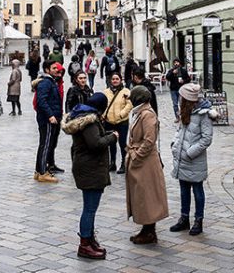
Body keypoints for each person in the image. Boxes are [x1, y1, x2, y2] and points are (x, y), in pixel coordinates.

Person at [62, 92, 118, 260]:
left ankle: (90, 240)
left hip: (87, 166)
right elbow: (96, 144)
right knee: (90, 208)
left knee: (90, 207)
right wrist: (112, 137)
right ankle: (85, 244)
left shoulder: (83, 116)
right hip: (90, 168)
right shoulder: (89, 121)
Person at [125, 86, 168, 244]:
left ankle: (149, 231)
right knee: (142, 196)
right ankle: (146, 228)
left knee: (148, 196)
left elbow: (149, 140)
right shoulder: (139, 112)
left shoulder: (147, 115)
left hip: (146, 163)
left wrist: (137, 156)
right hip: (140, 162)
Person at [170, 84, 214, 236]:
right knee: (183, 190)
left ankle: (198, 220)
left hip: (194, 159)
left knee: (197, 190)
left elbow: (207, 139)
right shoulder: (185, 111)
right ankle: (184, 219)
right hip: (182, 158)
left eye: (182, 96)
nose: (179, 98)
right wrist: (175, 145)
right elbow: (180, 130)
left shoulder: (204, 114)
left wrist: (190, 152)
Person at [34, 60, 64, 183]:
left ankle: (38, 170)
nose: (57, 70)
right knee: (45, 145)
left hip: (50, 118)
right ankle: (42, 173)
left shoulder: (51, 81)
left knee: (44, 145)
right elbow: (42, 100)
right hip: (47, 120)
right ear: (47, 70)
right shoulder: (46, 82)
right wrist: (50, 115)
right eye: (54, 68)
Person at [103, 72, 132, 174]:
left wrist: (121, 114)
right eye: (113, 79)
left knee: (122, 143)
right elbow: (103, 104)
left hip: (121, 121)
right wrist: (104, 115)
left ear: (120, 80)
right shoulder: (106, 92)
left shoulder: (126, 91)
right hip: (109, 121)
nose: (115, 81)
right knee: (111, 143)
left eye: (117, 79)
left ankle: (124, 163)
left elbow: (129, 105)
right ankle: (112, 163)